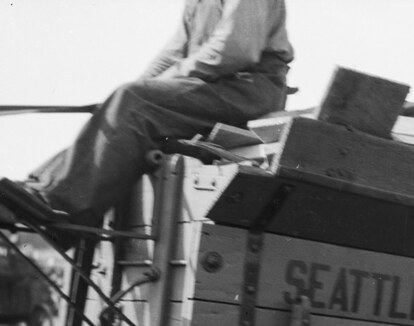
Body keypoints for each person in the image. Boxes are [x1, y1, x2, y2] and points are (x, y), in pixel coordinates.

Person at [0, 0, 294, 235]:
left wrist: (138, 96)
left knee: (132, 102)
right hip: (223, 83)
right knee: (122, 106)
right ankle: (37, 191)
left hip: (249, 87)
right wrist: (124, 100)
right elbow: (173, 53)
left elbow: (235, 50)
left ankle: (62, 208)